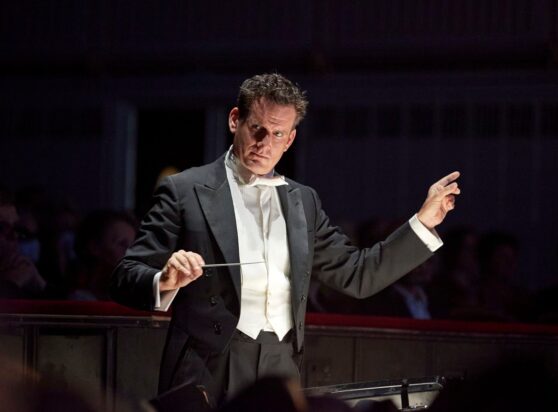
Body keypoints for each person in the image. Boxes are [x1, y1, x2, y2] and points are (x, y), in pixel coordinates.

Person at [111, 73, 461, 407]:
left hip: (280, 365)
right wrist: (165, 280)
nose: (265, 143)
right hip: (207, 368)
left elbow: (357, 275)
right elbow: (126, 274)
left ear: (290, 139)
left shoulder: (303, 201)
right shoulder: (184, 190)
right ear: (235, 120)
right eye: (257, 129)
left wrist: (422, 222)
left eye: (278, 134)